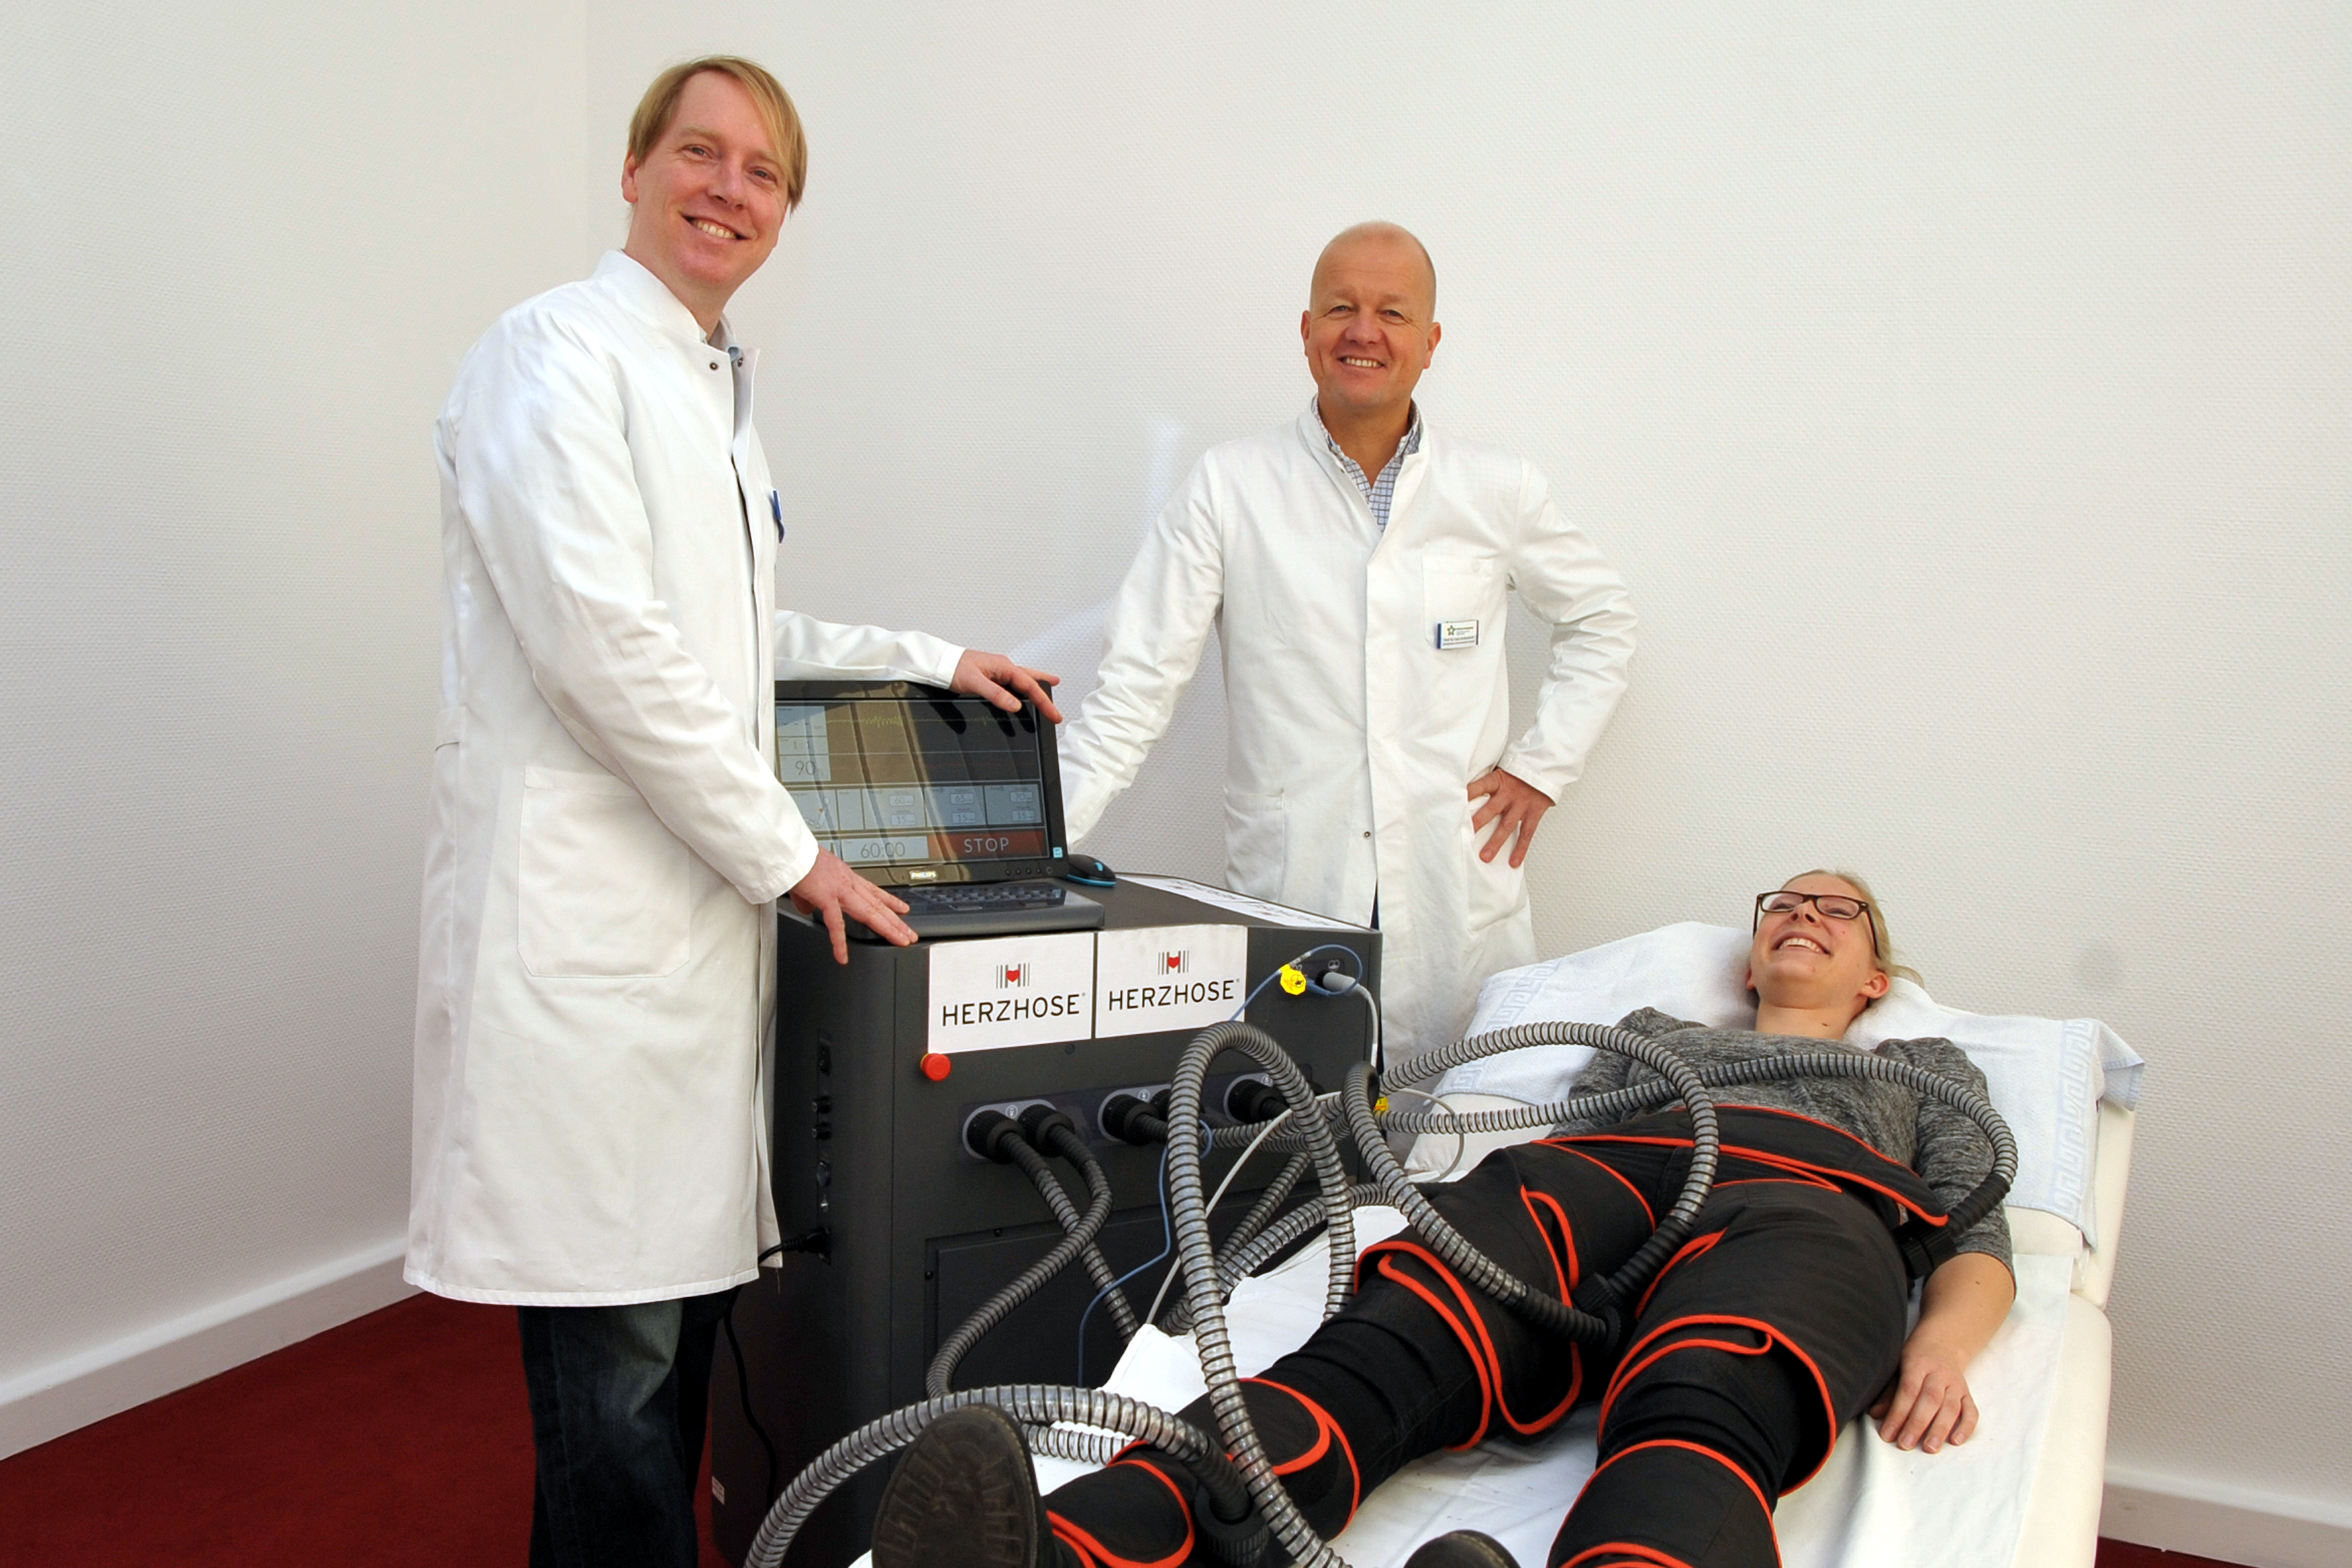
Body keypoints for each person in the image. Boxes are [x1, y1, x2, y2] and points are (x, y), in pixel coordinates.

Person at [404, 57, 1061, 1568]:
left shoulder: (714, 396)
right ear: (635, 169)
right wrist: (793, 853)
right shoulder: (552, 355)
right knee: (616, 1400)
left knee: (665, 1377)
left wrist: (931, 662)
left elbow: (734, 637)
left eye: (763, 172)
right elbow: (603, 649)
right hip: (586, 957)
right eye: (700, 153)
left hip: (682, 960)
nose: (728, 189)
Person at [870, 870, 2017, 1568]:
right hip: (1612, 1180)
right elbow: (1565, 1131)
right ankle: (1077, 1548)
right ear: (1752, 953)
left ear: (1874, 976)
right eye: (1781, 903)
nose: (1801, 914)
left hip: (1805, 1209)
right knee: (1386, 1345)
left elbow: (1975, 1233)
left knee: (1709, 1400)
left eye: (1834, 907)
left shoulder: (1925, 1068)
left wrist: (1942, 1342)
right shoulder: (1653, 1034)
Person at [1056, 222, 1638, 1060]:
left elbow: (1603, 617)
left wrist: (1542, 768)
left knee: (1462, 1119)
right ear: (1306, 331)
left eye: (1393, 313)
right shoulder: (1231, 485)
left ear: (1430, 342)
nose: (1364, 331)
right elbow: (1136, 687)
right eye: (1341, 308)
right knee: (1291, 1117)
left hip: (1453, 893)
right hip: (1296, 882)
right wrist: (1034, 849)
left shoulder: (1496, 490)